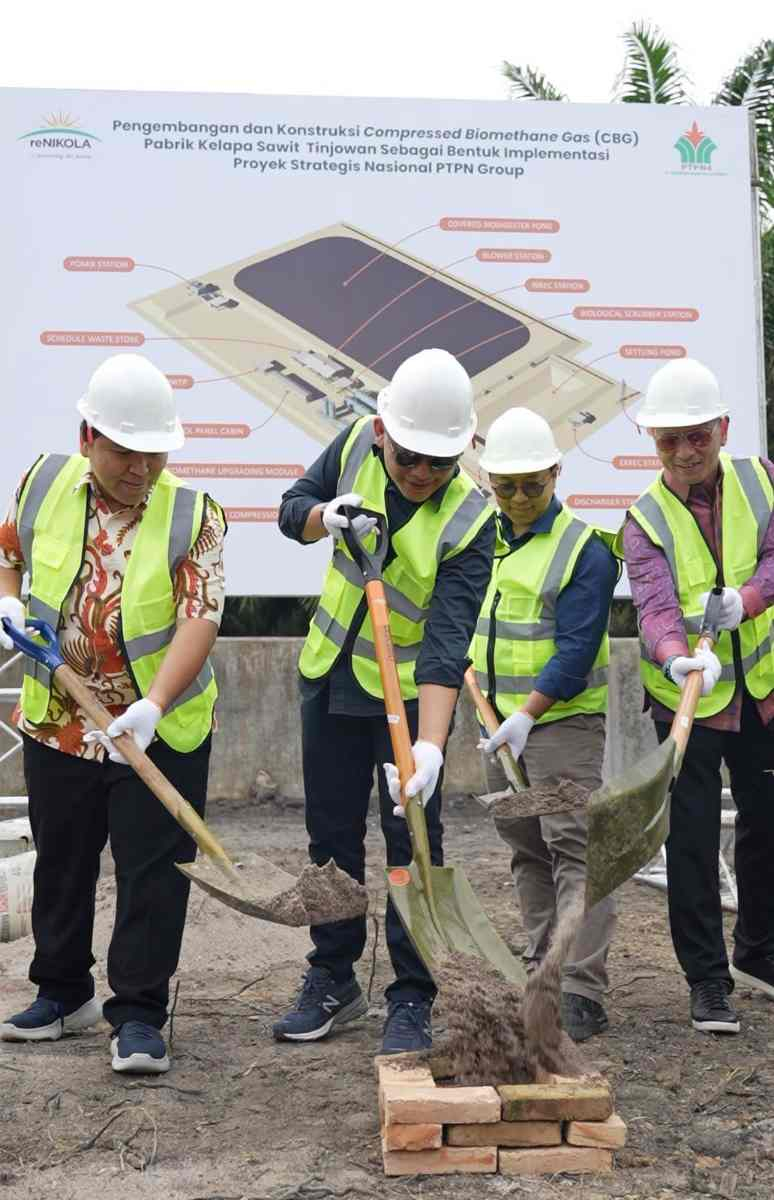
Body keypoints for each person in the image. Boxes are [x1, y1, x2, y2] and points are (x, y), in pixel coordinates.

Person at [0, 353, 226, 1074]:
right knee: (62, 861)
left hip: (157, 727)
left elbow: (200, 618)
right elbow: (9, 552)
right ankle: (62, 993)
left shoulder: (192, 514)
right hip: (60, 718)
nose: (142, 468)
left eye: (155, 452)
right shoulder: (43, 482)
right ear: (87, 437)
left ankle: (138, 1016)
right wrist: (8, 600)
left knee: (152, 871)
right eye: (126, 451)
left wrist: (153, 706)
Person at [276, 347, 495, 1054]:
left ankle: (413, 993)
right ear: (381, 432)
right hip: (330, 676)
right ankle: (333, 976)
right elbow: (290, 513)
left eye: (440, 462)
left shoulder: (471, 520)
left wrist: (429, 747)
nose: (422, 474)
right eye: (408, 458)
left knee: (410, 843)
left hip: (409, 699)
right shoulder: (350, 450)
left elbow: (447, 643)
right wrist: (324, 516)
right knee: (330, 841)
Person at [621, 355, 774, 1035]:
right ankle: (708, 981)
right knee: (690, 840)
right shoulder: (644, 518)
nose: (685, 452)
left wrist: (748, 599)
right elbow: (654, 606)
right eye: (669, 440)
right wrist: (677, 656)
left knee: (767, 825)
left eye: (697, 436)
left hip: (762, 689)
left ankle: (760, 952)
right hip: (690, 701)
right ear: (653, 442)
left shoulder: (761, 480)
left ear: (723, 429)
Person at [473, 406, 618, 1042]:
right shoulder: (485, 540)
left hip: (561, 727)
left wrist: (528, 715)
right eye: (505, 487)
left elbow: (576, 648)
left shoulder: (585, 550)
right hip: (498, 727)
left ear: (556, 474)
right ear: (489, 481)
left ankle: (580, 989)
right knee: (528, 851)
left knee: (576, 851)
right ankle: (543, 972)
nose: (519, 499)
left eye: (532, 485)